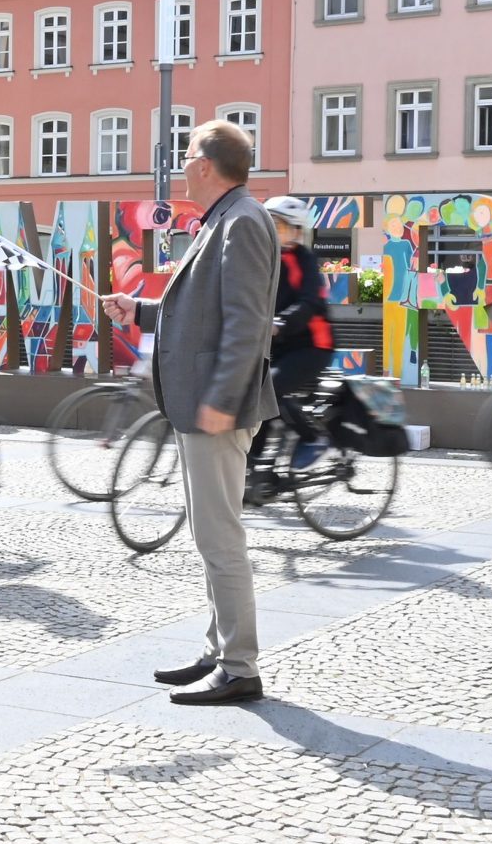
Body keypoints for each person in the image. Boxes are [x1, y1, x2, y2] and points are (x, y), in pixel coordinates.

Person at [102, 120, 276, 706]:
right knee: (210, 534)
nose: (179, 166)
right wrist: (140, 310)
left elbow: (246, 325)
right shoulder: (226, 219)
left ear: (206, 164)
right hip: (202, 401)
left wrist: (222, 403)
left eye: (185, 157)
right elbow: (199, 310)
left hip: (215, 407)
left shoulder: (244, 222)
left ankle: (240, 666)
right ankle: (219, 649)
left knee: (220, 536)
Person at [247, 195, 336, 502]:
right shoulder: (265, 259)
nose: (274, 231)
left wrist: (282, 323)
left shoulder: (304, 260)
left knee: (270, 388)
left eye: (280, 225)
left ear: (297, 230)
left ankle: (313, 438)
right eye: (270, 224)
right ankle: (255, 473)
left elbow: (310, 302)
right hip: (279, 343)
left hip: (313, 344)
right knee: (254, 393)